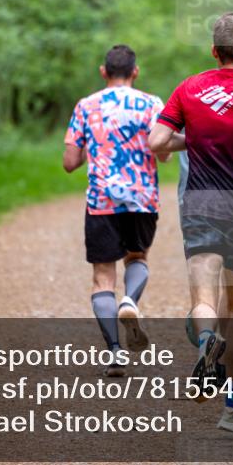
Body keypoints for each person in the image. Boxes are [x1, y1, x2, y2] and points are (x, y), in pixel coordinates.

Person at [148, 12, 233, 432]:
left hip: (200, 204)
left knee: (203, 296)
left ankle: (204, 341)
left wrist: (194, 138)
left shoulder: (190, 88)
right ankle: (232, 402)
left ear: (214, 51)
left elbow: (157, 142)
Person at [63, 44, 169, 377]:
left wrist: (91, 148)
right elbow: (164, 153)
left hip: (101, 201)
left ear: (103, 72)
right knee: (137, 258)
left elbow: (69, 162)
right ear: (135, 72)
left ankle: (114, 351)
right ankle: (131, 301)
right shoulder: (152, 104)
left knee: (102, 277)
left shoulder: (86, 106)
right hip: (141, 198)